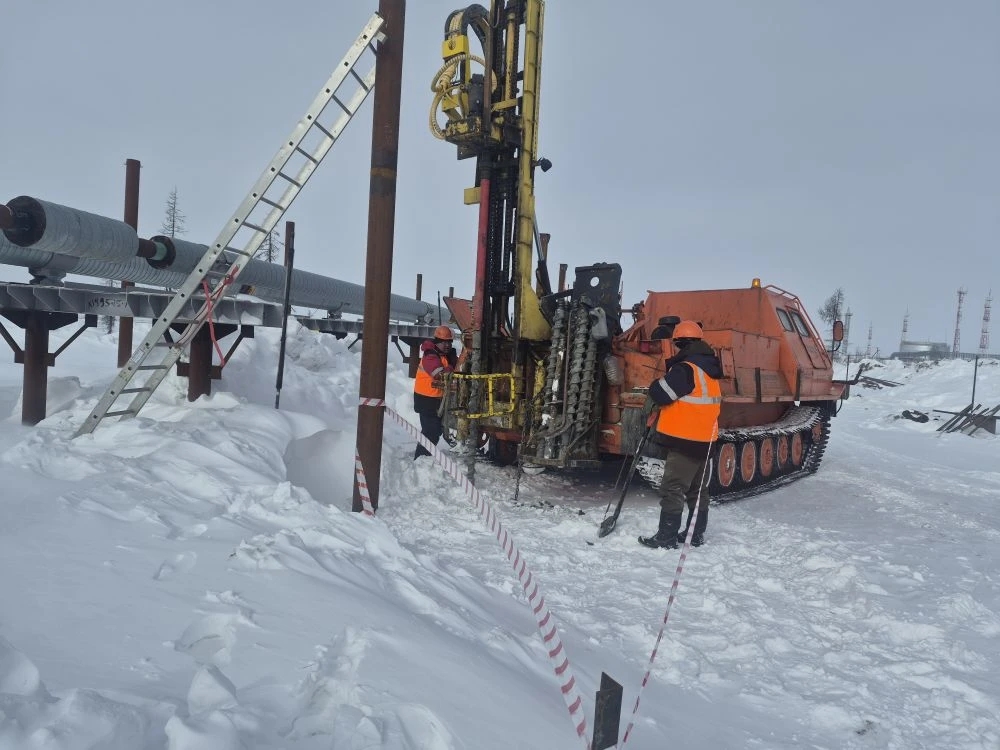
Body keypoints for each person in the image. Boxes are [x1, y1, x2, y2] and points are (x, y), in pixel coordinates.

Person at [638, 320, 723, 549]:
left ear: (680, 343)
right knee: (697, 490)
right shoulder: (709, 369)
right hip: (705, 441)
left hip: (685, 442)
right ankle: (695, 535)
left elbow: (661, 393)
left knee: (673, 488)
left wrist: (656, 383)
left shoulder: (686, 369)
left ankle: (666, 538)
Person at [413, 325, 458, 459]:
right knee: (430, 432)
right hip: (426, 400)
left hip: (436, 399)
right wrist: (452, 366)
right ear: (437, 341)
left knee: (435, 430)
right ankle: (421, 458)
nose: (447, 345)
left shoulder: (444, 355)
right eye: (444, 342)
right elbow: (439, 374)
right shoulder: (430, 356)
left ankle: (424, 458)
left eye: (449, 342)